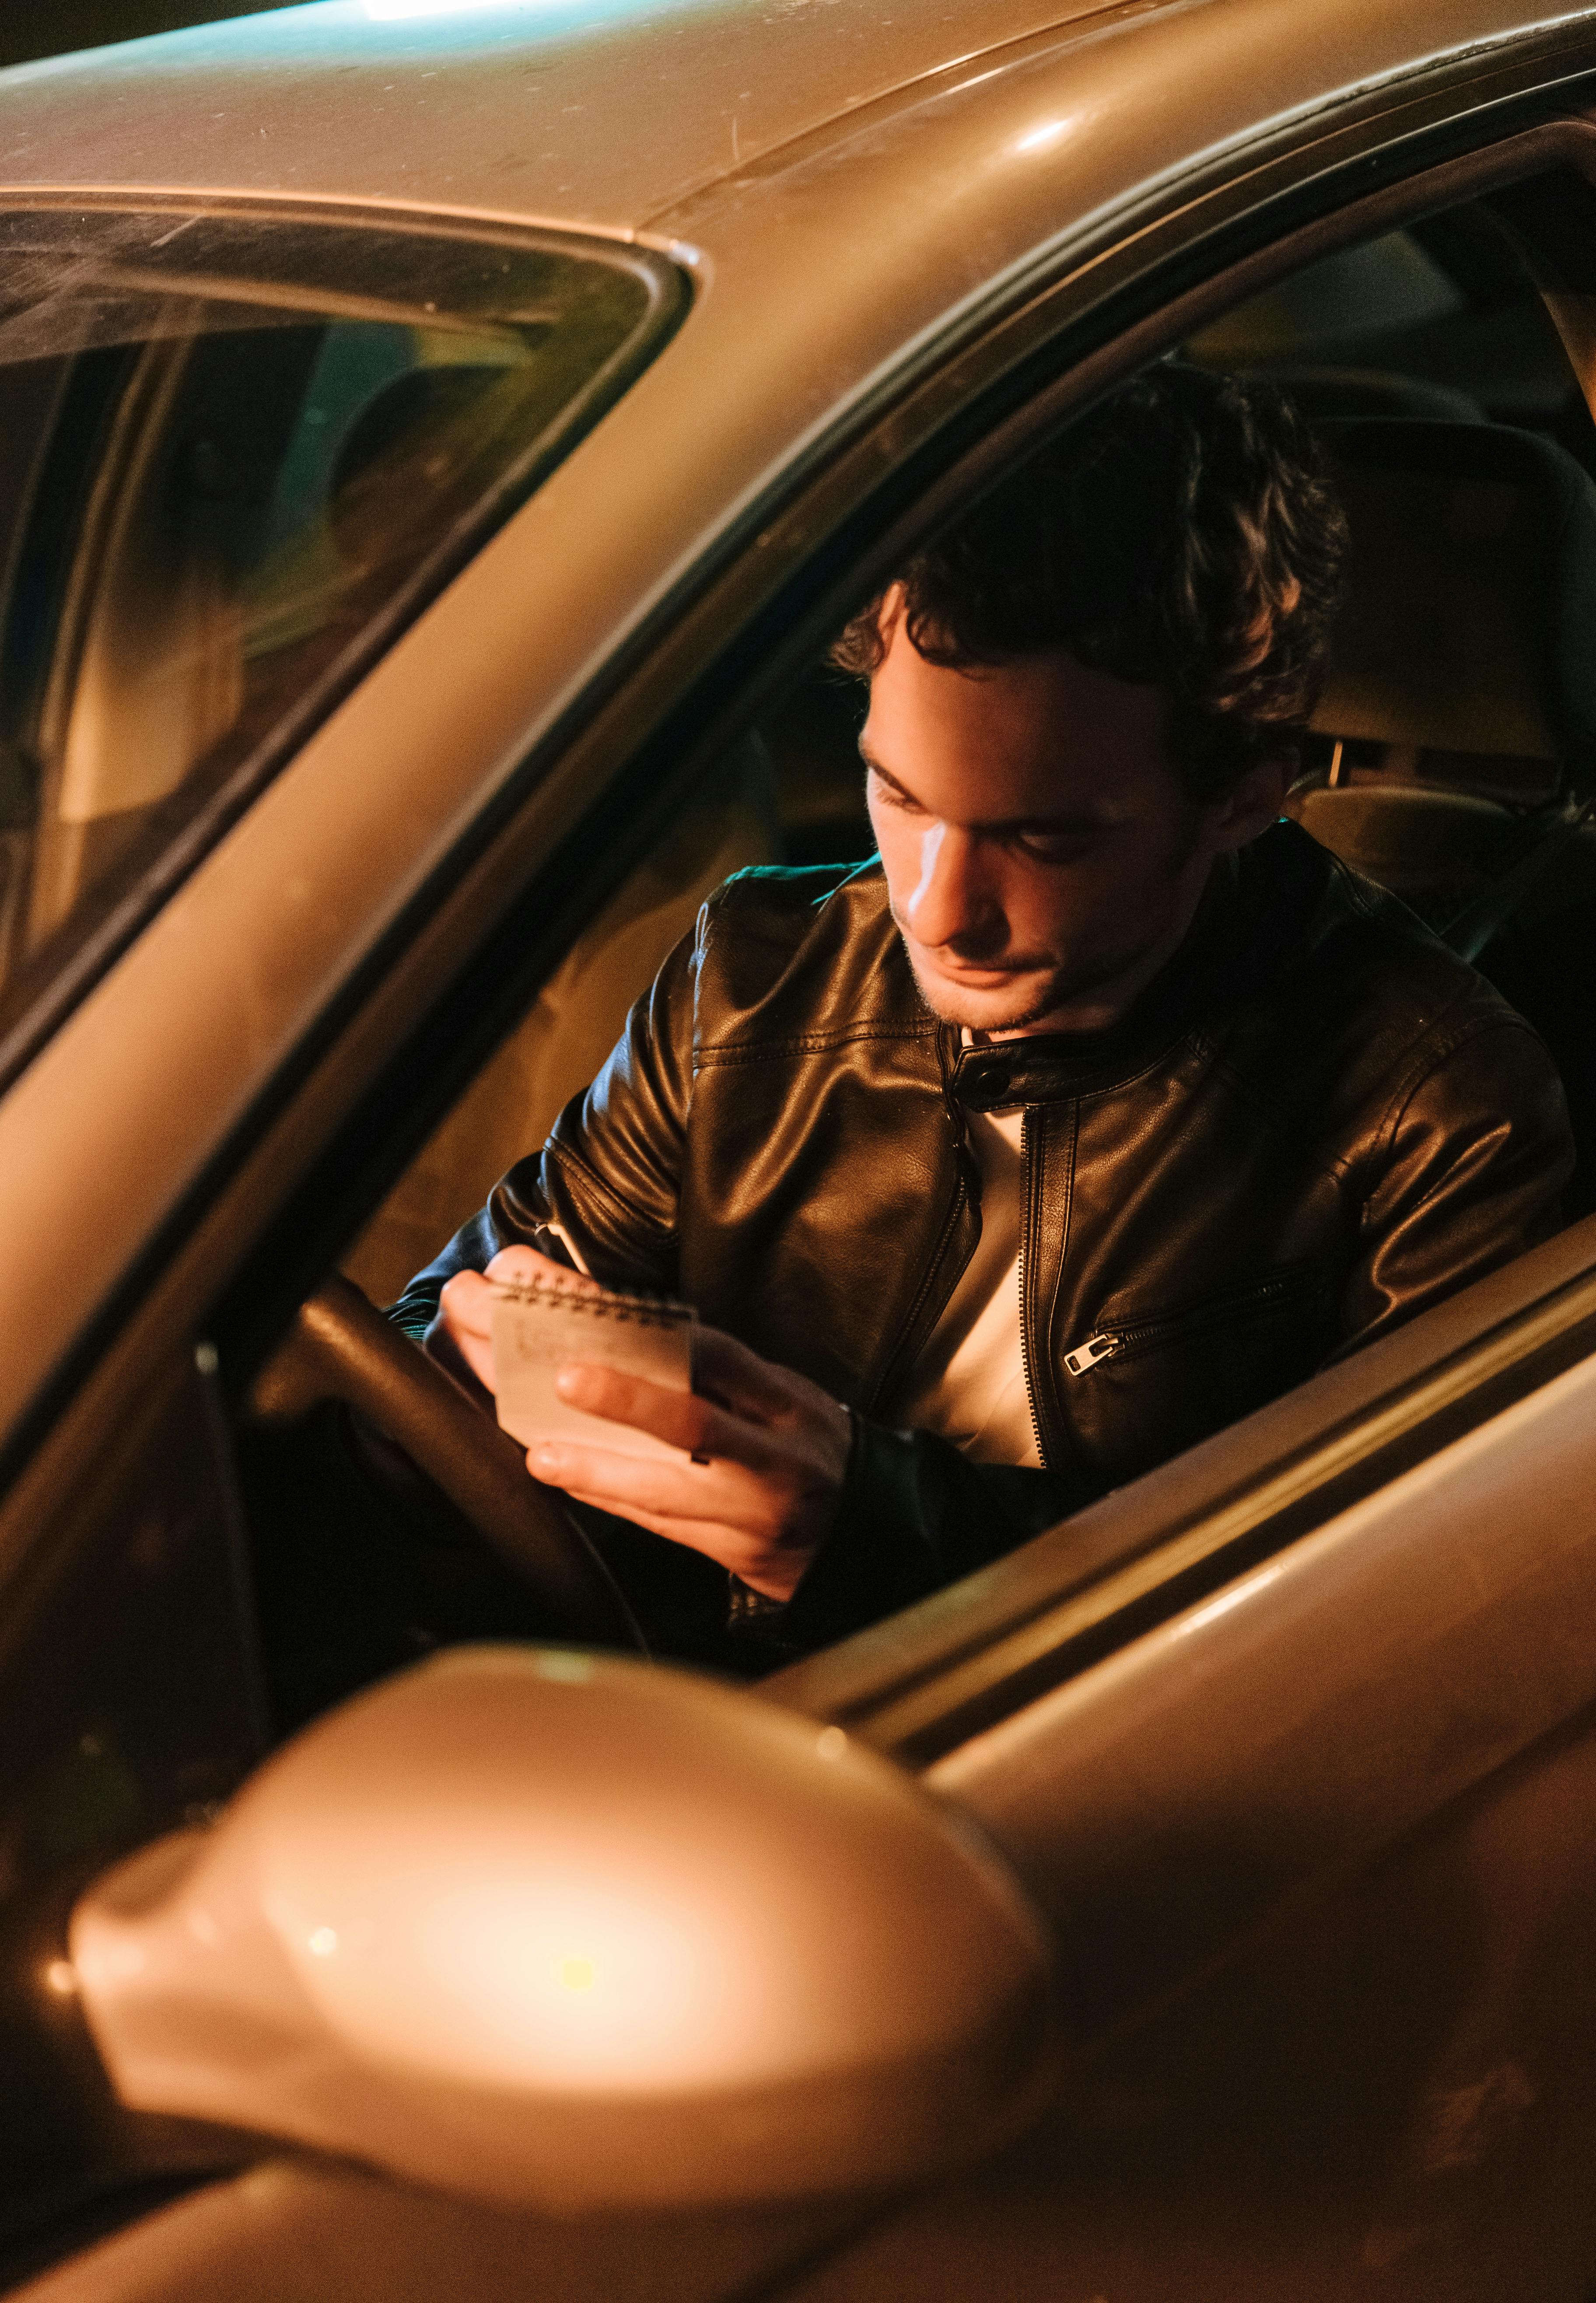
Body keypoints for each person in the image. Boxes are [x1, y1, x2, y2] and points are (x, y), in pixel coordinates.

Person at [396, 363, 1573, 1655]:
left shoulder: (1438, 1107)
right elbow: (438, 1337)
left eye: (1044, 838)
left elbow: (1407, 1631)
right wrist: (506, 1373)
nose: (936, 909)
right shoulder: (753, 977)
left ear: (1246, 794)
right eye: (899, 799)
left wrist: (860, 1528)